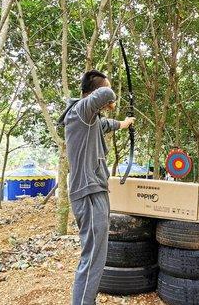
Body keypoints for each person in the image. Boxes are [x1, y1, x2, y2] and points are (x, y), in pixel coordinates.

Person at [59, 70, 135, 305]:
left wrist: (123, 123)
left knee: (96, 256)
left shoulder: (90, 120)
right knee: (92, 257)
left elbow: (105, 124)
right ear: (93, 93)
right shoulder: (80, 111)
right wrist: (109, 96)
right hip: (89, 193)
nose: (110, 102)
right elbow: (107, 93)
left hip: (95, 190)